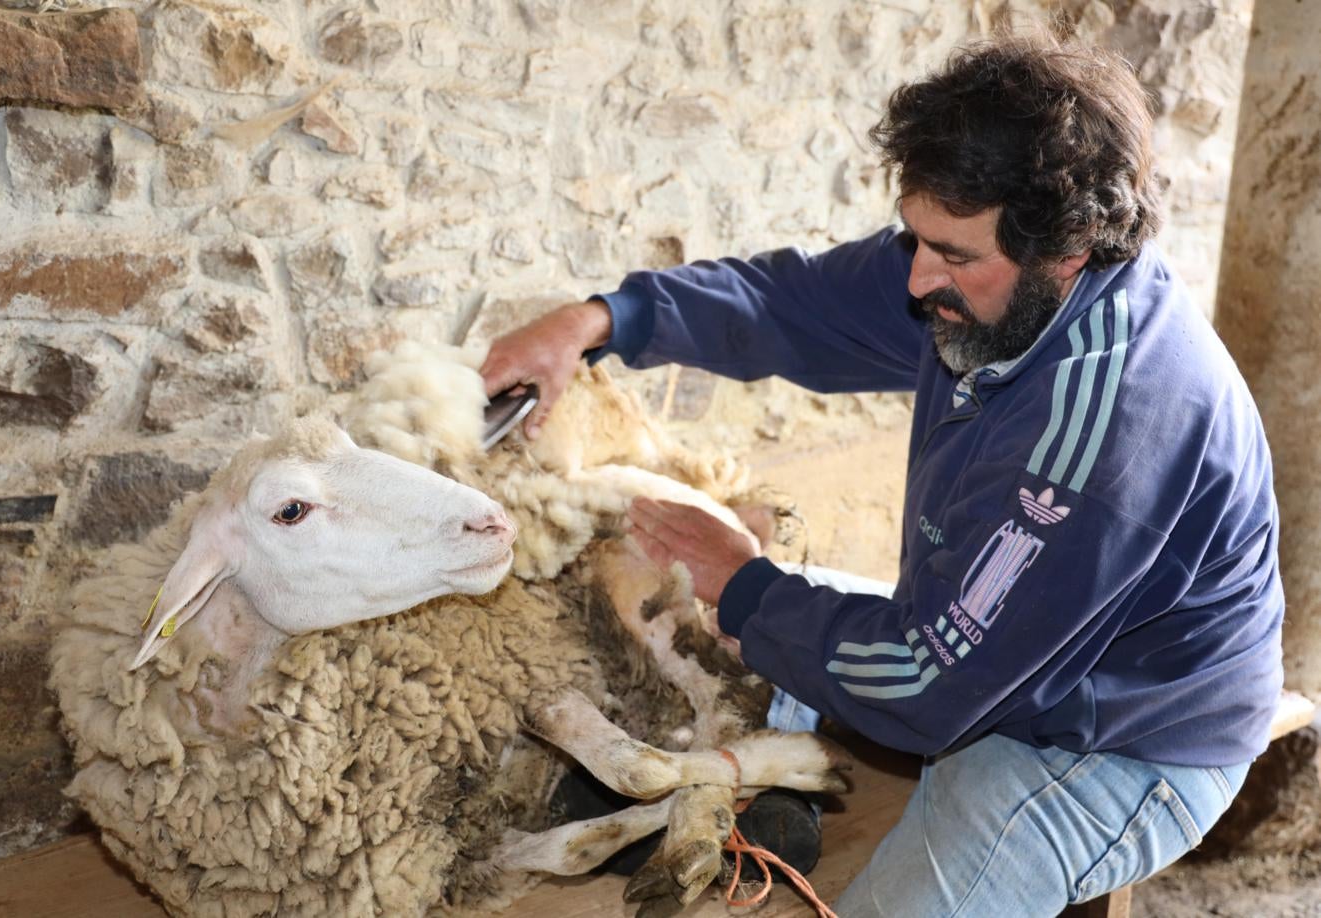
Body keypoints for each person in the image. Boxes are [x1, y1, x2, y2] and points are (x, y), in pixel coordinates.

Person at [480, 31, 1284, 917]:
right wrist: (598, 322)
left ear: (1070, 250)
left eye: (953, 254)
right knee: (685, 621)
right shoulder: (987, 282)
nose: (915, 277)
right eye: (916, 236)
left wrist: (744, 585)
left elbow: (929, 687)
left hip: (1113, 740)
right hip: (983, 639)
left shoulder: (1100, 435)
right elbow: (794, 306)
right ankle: (763, 784)